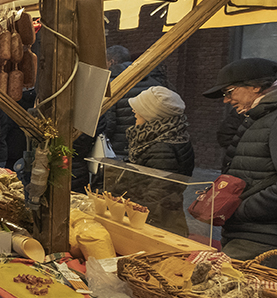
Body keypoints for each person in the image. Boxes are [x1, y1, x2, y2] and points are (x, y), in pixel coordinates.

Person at [203, 58, 277, 258]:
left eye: (229, 92)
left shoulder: (273, 118)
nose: (226, 100)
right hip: (248, 233)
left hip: (260, 239)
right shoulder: (260, 116)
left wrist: (238, 207)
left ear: (255, 86)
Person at [119, 86, 195, 235]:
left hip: (155, 224)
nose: (134, 111)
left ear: (151, 115)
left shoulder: (161, 147)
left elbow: (156, 195)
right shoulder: (173, 136)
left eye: (139, 109)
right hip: (163, 217)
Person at [103, 45, 169, 161]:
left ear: (112, 62)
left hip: (118, 149)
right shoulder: (155, 81)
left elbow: (109, 124)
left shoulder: (111, 85)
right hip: (150, 149)